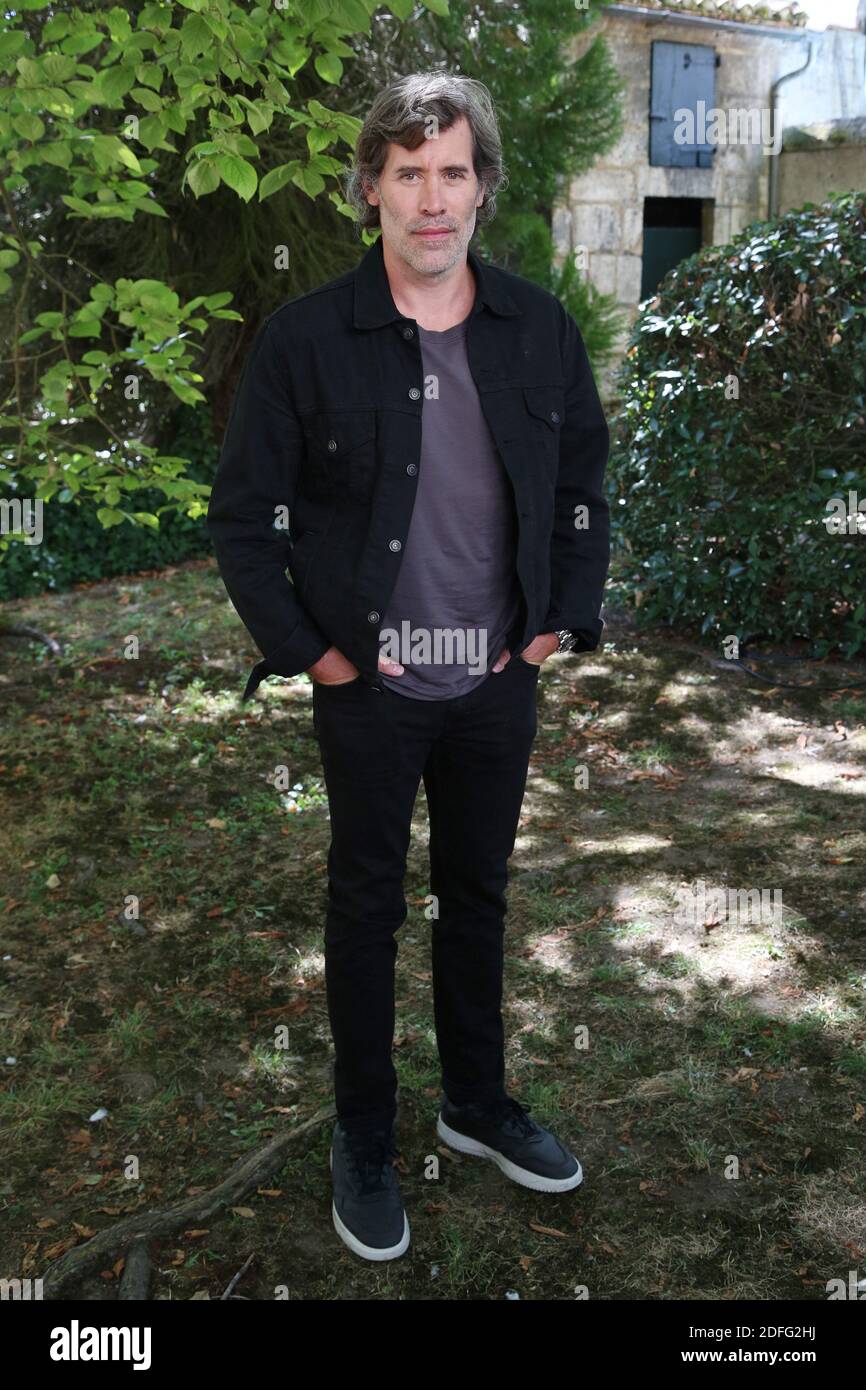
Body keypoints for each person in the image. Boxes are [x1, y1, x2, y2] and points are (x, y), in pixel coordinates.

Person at [207, 71, 611, 1263]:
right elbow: (242, 519)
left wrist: (557, 623)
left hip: (496, 678)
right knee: (366, 906)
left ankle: (477, 1106)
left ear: (482, 185)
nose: (430, 200)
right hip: (371, 688)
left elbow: (582, 488)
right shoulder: (306, 341)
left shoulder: (536, 328)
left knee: (478, 898)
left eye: (451, 172)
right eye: (406, 174)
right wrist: (316, 656)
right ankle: (365, 1136)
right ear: (370, 189)